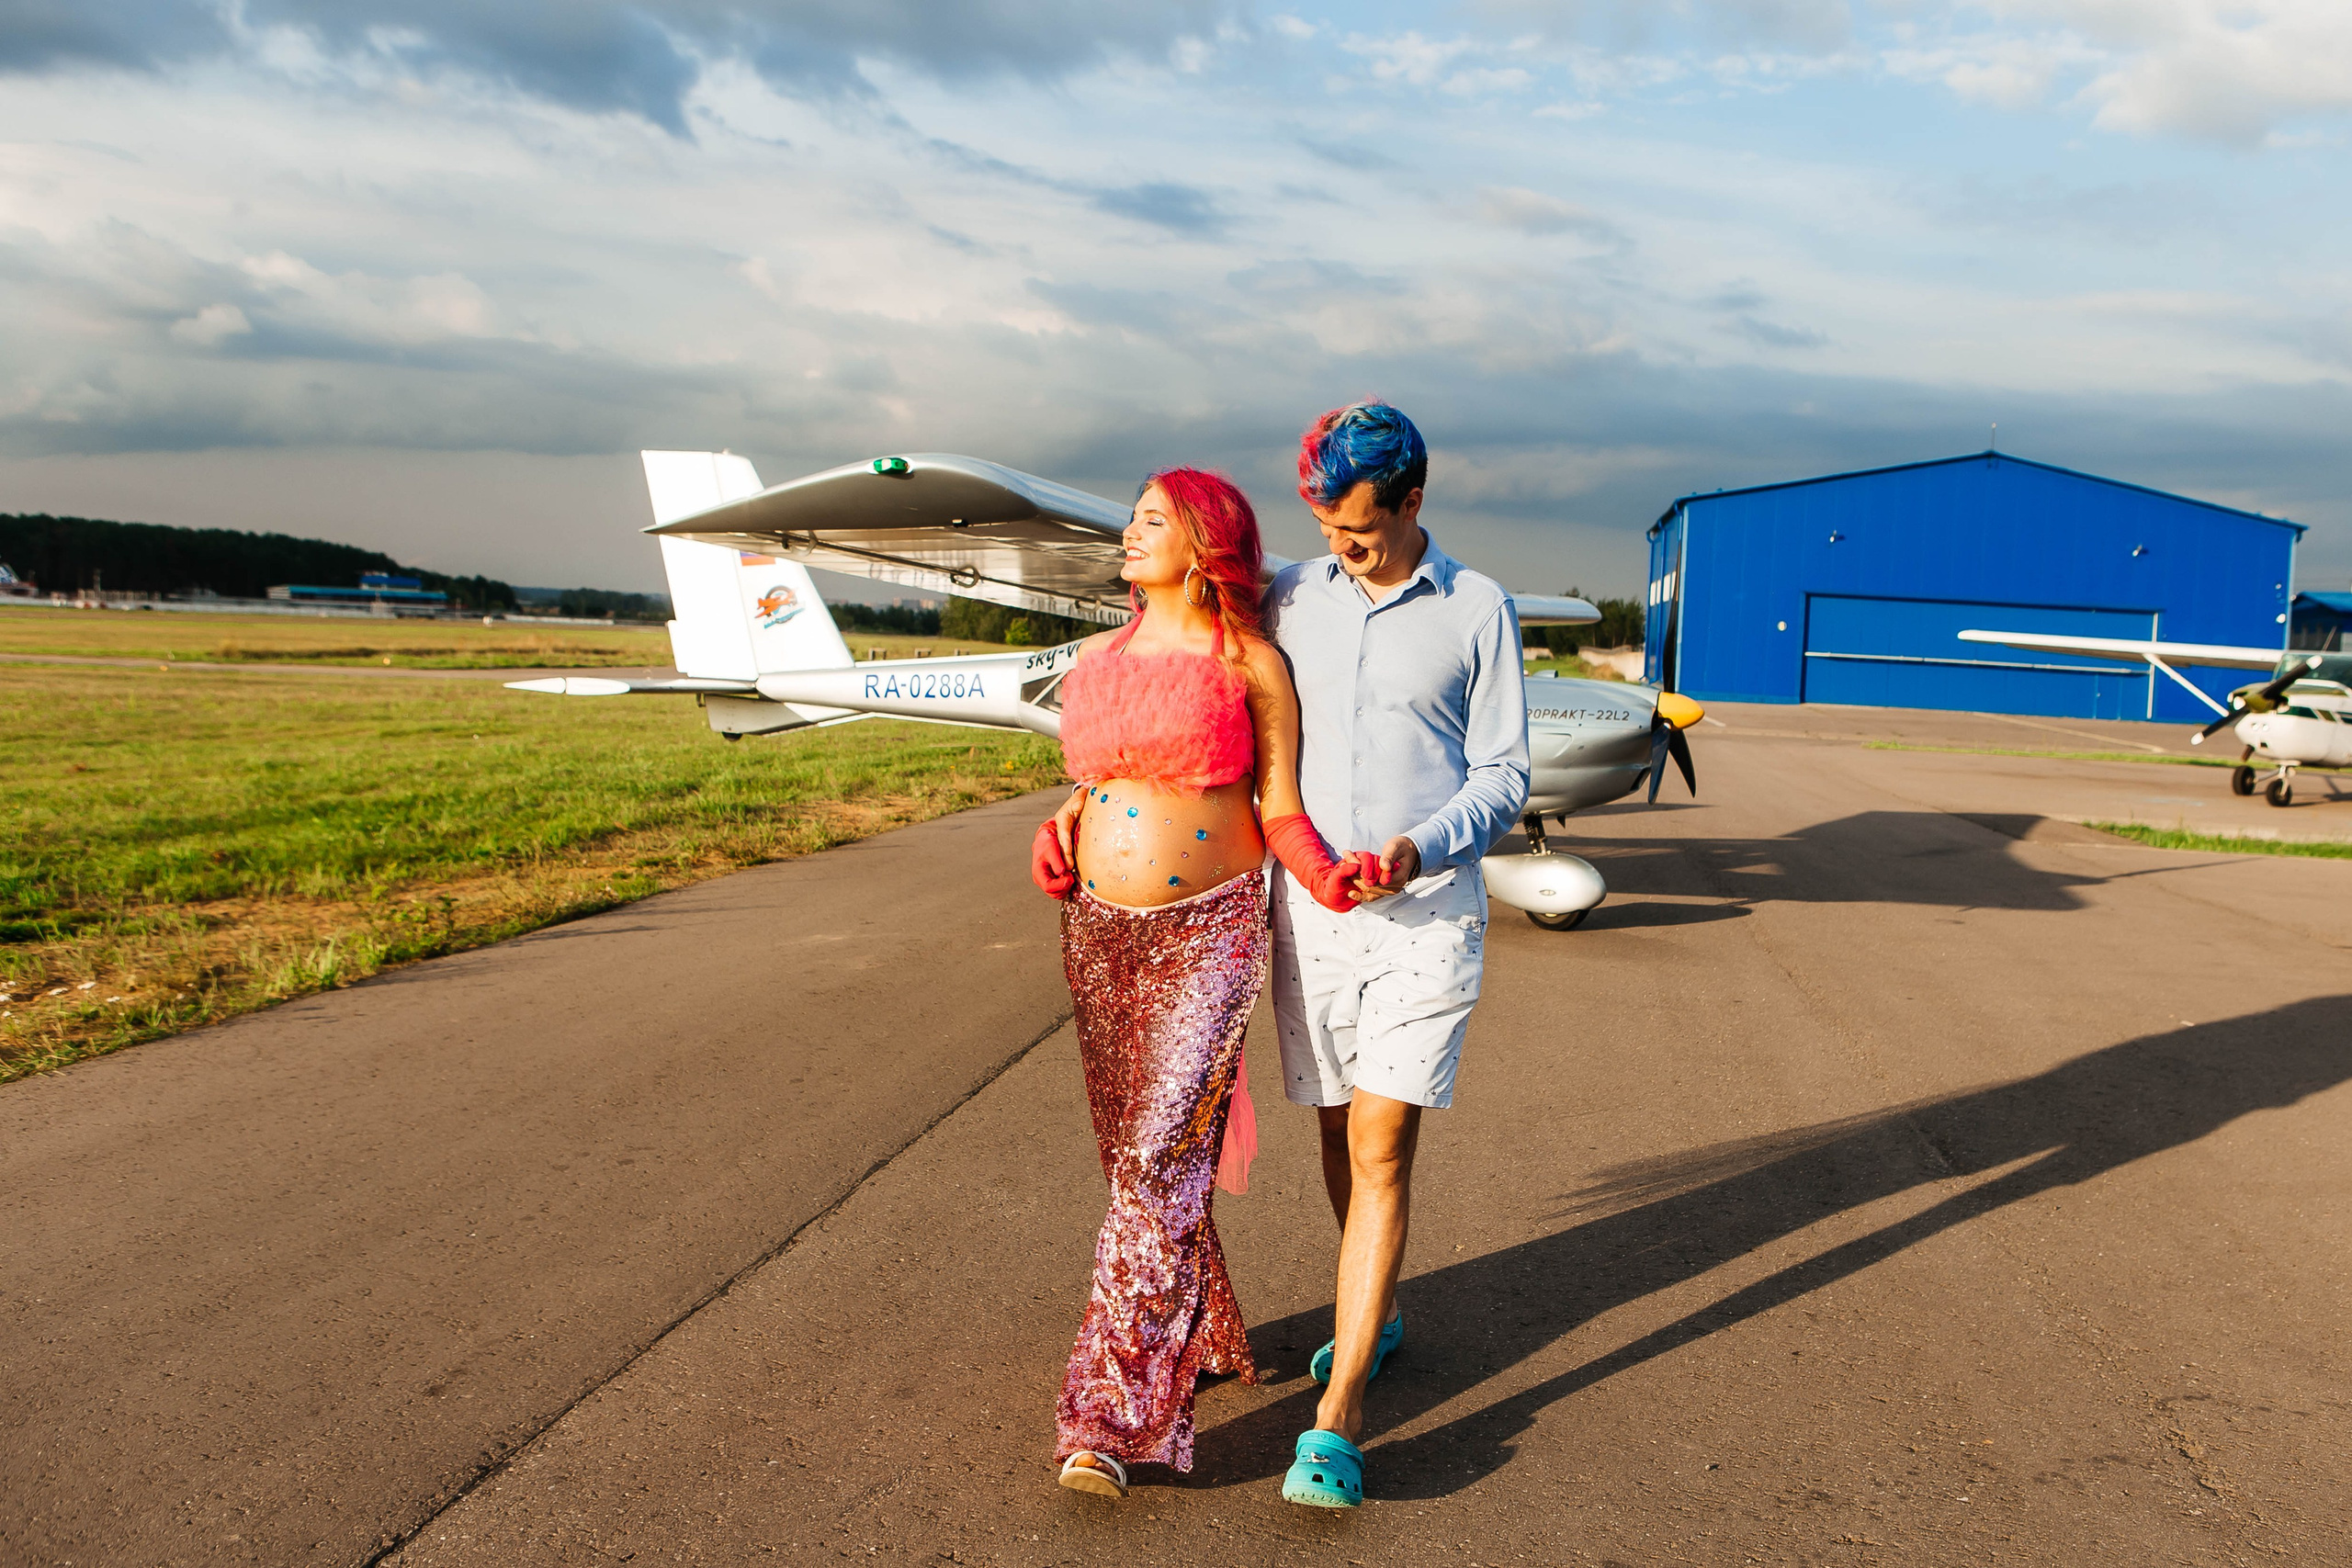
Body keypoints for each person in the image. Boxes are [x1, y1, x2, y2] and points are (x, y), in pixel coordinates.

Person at [1028, 468, 1374, 1500]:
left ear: (1204, 541)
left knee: (1152, 1160)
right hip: (1098, 934)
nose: (1129, 534)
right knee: (1135, 1157)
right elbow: (1092, 782)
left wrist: (1326, 877)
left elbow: (1276, 807)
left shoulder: (1250, 662)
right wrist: (1055, 826)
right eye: (1129, 518)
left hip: (1206, 935)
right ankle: (1207, 1331)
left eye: (1151, 520)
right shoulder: (1096, 658)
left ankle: (1111, 1416)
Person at [1261, 401, 1530, 1508]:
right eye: (1326, 529)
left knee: (1380, 1143)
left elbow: (1505, 773)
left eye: (1360, 532)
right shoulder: (1288, 596)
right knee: (1334, 1129)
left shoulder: (1478, 609)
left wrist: (1424, 845)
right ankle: (1375, 1310)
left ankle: (1342, 1413)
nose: (1340, 547)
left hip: (1426, 918)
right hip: (1309, 915)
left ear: (1412, 504)